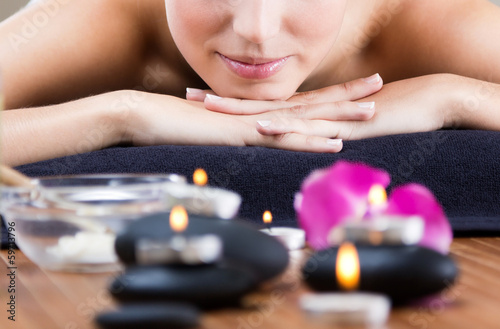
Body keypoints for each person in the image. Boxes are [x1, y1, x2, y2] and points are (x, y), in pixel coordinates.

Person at [1, 0, 500, 166]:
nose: (256, 31)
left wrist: (453, 96)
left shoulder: (426, 21)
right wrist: (123, 113)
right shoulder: (106, 17)